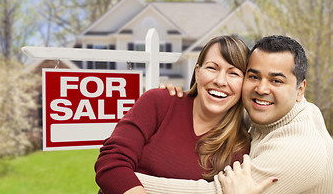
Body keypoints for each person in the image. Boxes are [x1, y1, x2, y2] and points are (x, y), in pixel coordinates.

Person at [136, 35, 333, 193]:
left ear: (300, 90)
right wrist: (183, 99)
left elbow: (215, 192)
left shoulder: (299, 151)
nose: (262, 89)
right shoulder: (266, 115)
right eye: (254, 76)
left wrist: (126, 180)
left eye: (276, 81)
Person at [94, 36, 252, 194]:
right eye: (212, 68)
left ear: (244, 84)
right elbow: (111, 162)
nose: (220, 81)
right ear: (197, 73)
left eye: (233, 73)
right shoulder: (159, 102)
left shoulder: (239, 146)